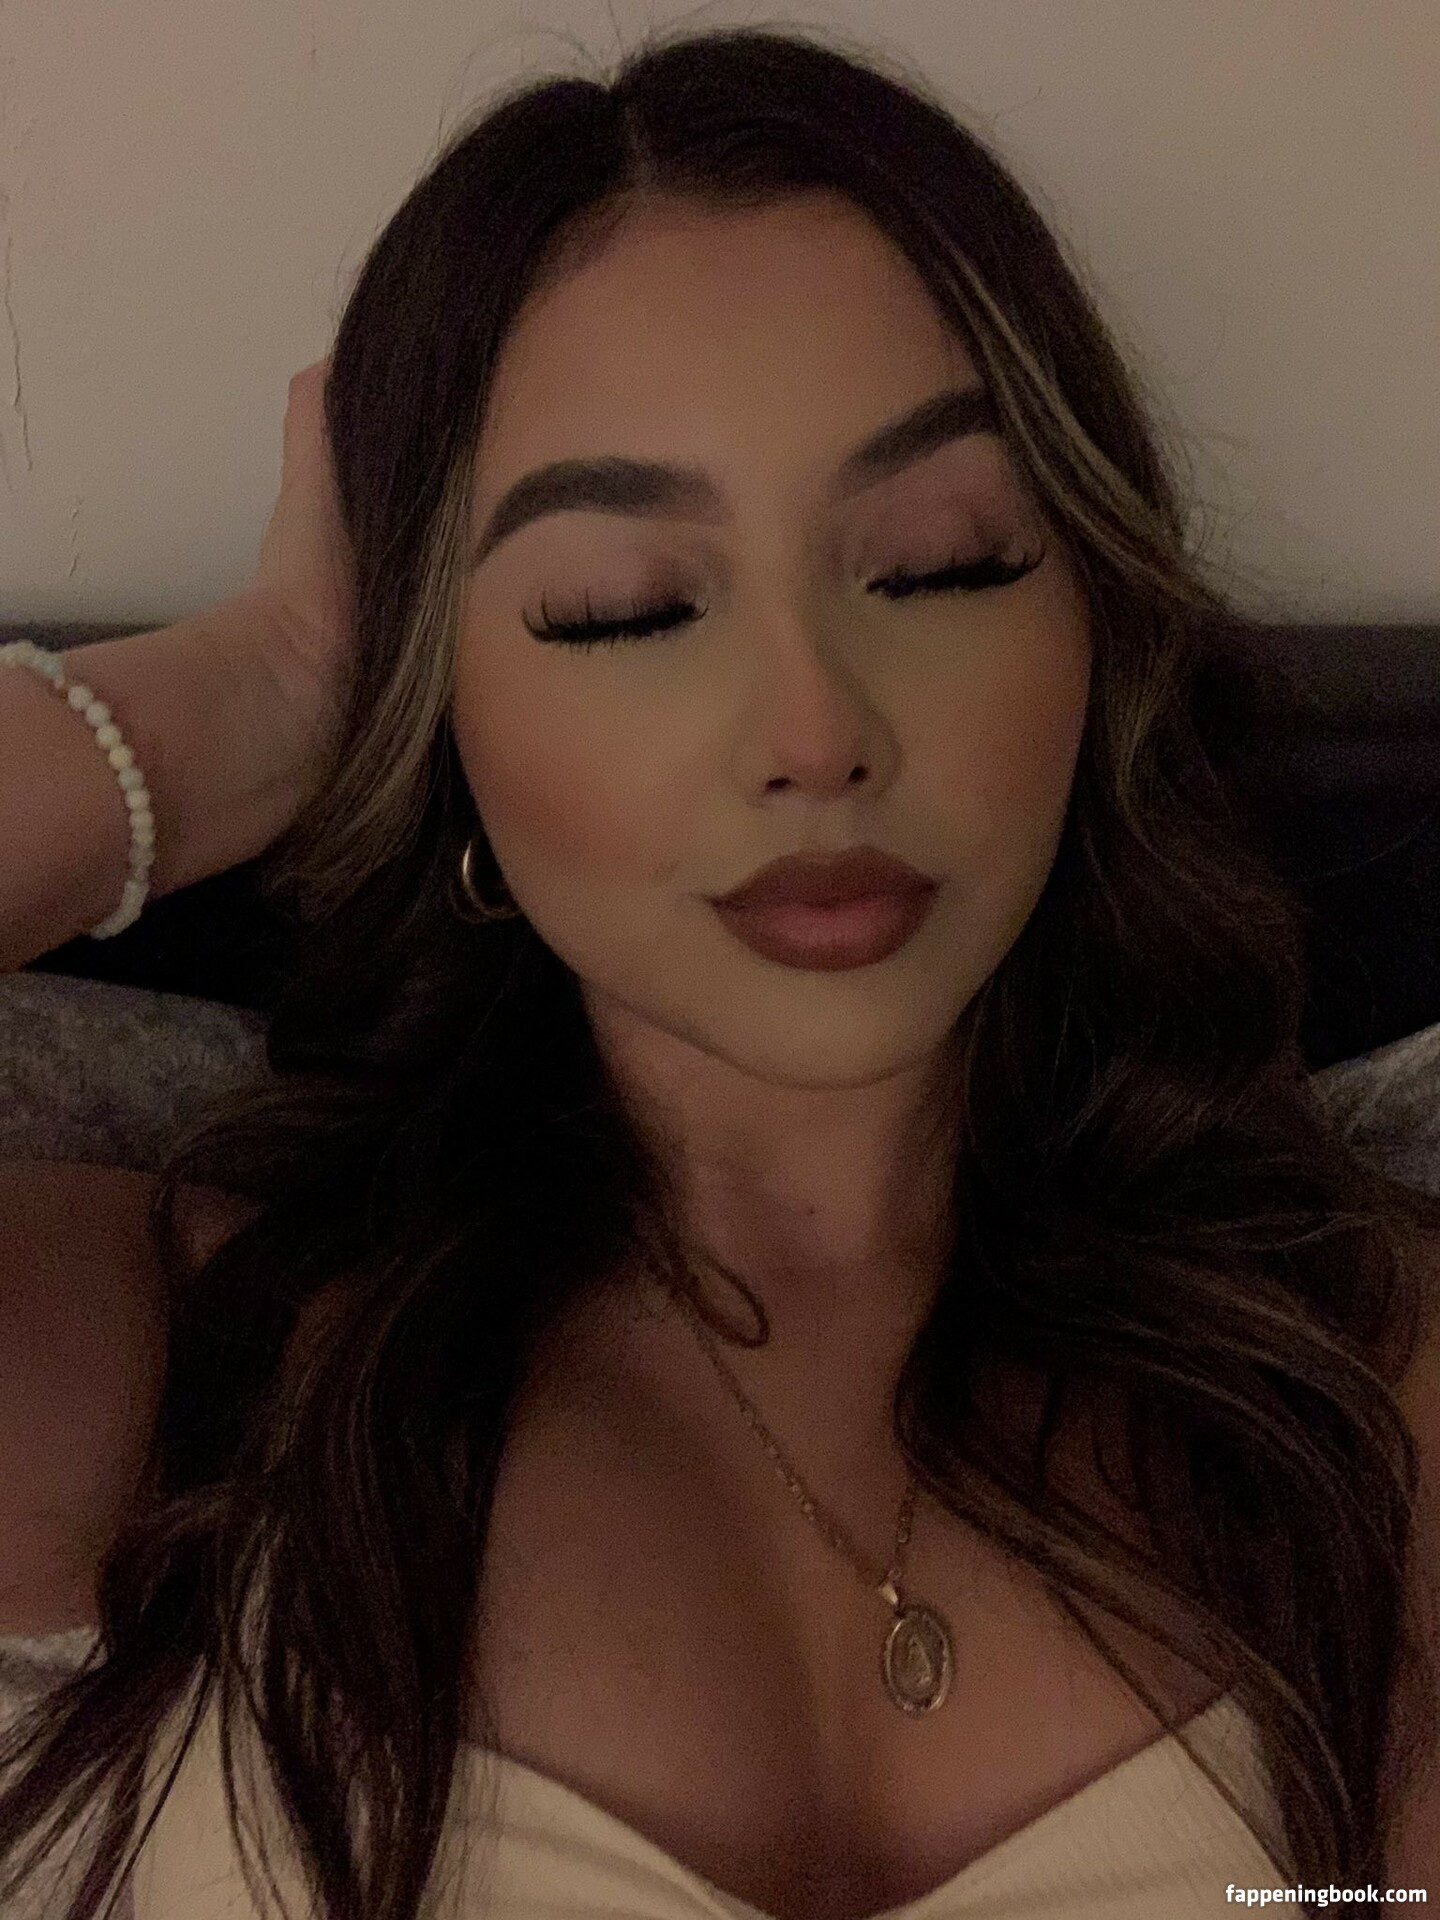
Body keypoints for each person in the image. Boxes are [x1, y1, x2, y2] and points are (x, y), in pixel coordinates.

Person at [2, 23, 1439, 1920]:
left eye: (939, 564)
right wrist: (246, 699)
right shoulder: (162, 1361)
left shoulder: (1378, 1386)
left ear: (1094, 624)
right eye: (626, 607)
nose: (815, 731)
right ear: (441, 709)